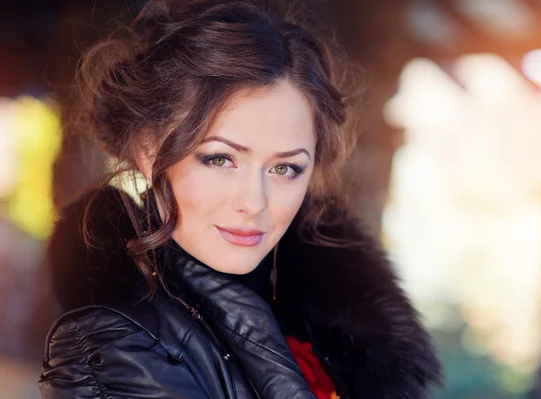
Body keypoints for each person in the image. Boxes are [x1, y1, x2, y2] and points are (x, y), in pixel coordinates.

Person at [39, 0, 442, 398]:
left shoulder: (335, 325)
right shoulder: (116, 350)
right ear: (147, 150)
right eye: (220, 159)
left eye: (284, 169)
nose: (254, 202)